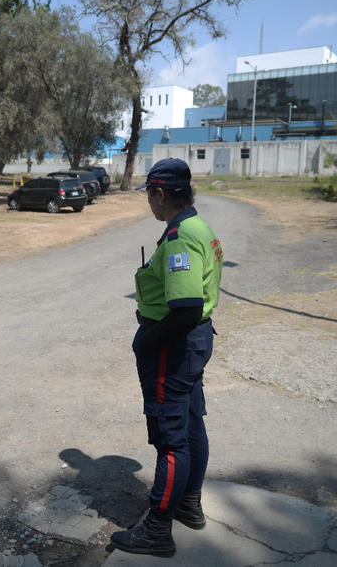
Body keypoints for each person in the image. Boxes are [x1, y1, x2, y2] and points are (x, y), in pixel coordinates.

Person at [110, 158, 223, 558]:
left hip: (173, 346)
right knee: (191, 424)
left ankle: (157, 529)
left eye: (150, 196)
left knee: (171, 439)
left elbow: (187, 307)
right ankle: (189, 504)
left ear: (160, 194)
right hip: (191, 342)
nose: (149, 205)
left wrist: (148, 342)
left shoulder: (180, 238)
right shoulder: (197, 226)